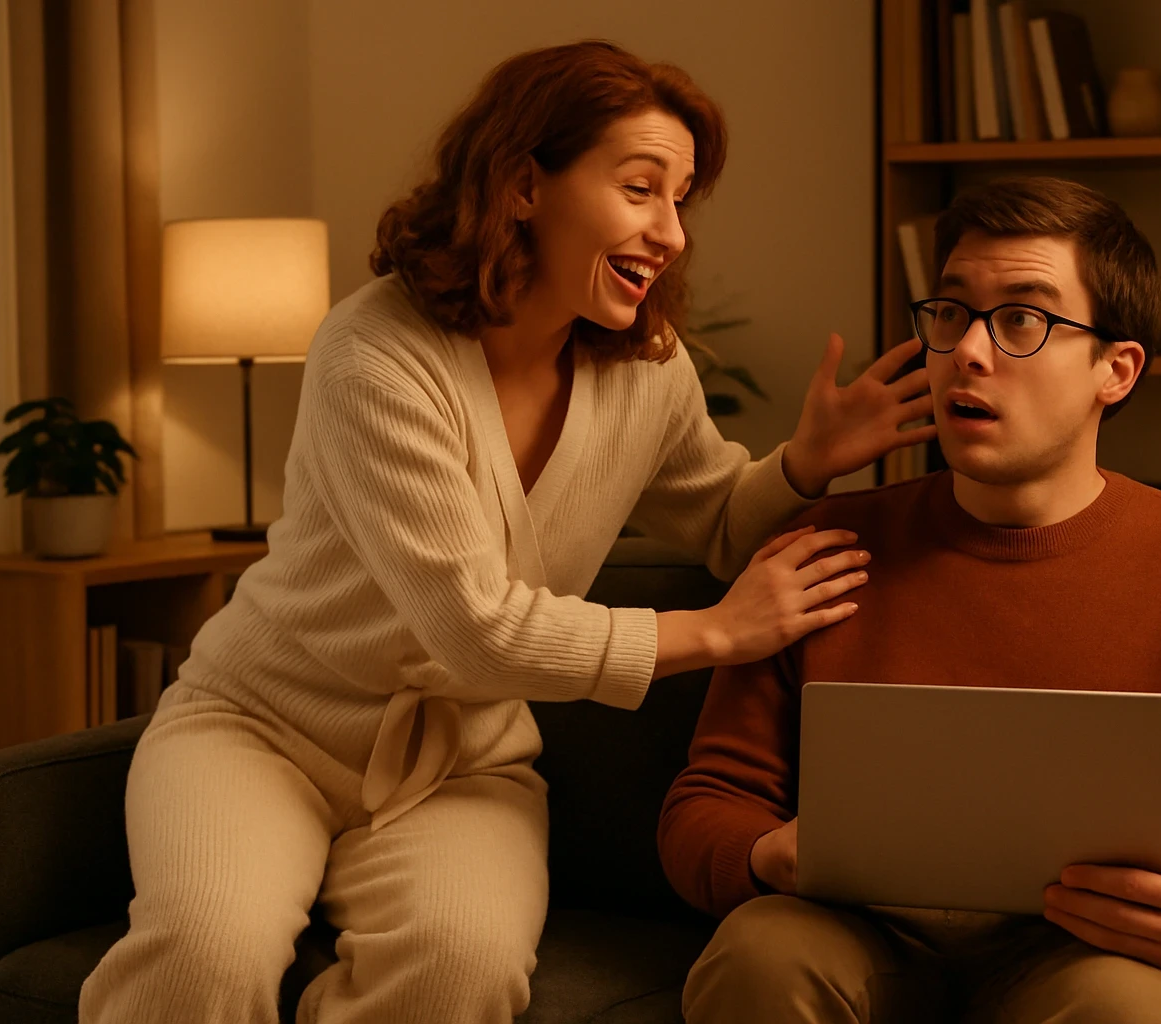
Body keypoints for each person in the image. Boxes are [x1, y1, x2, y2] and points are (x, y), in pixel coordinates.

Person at [79, 40, 935, 1024]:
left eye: (681, 199)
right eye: (640, 188)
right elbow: (474, 627)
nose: (671, 233)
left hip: (463, 763)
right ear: (525, 184)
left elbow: (719, 521)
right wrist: (716, 632)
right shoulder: (375, 354)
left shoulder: (646, 372)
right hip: (261, 730)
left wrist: (803, 465)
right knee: (206, 954)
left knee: (460, 971)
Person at [658, 175, 1161, 1024]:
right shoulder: (823, 546)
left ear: (1115, 370)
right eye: (951, 313)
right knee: (760, 953)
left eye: (1022, 318)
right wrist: (769, 856)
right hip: (854, 938)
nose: (968, 352)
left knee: (1134, 1008)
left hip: (1086, 951)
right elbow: (705, 805)